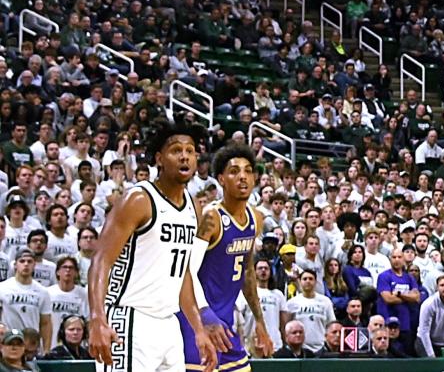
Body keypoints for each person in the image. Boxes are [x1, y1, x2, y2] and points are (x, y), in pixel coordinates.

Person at [86, 120, 224, 372]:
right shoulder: (138, 199)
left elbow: (181, 272)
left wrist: (197, 328)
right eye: (176, 150)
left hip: (168, 324)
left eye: (190, 151)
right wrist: (97, 317)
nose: (184, 156)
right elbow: (101, 260)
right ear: (159, 159)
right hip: (129, 318)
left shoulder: (193, 207)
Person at [178, 147, 273, 372]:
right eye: (234, 171)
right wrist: (204, 313)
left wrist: (259, 321)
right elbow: (186, 271)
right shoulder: (211, 218)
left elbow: (247, 272)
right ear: (221, 179)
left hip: (226, 326)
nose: (242, 176)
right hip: (195, 324)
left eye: (248, 171)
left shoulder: (256, 218)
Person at [0, 251, 51, 354]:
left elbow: (45, 323)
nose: (26, 264)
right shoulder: (2, 288)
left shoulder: (43, 292)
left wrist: (46, 349)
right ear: (15, 265)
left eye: (29, 261)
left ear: (34, 265)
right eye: (22, 261)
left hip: (31, 345)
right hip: (9, 342)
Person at [233, 259, 284, 355]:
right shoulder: (245, 294)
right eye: (260, 268)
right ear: (254, 271)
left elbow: (283, 322)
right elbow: (239, 321)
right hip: (251, 346)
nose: (263, 270)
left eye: (266, 268)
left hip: (275, 345)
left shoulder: (278, 294)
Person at [281, 271, 334, 353]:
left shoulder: (325, 301)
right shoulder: (292, 303)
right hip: (299, 349)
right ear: (300, 281)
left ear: (316, 282)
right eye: (305, 279)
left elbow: (331, 325)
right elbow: (286, 327)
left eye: (311, 279)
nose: (308, 281)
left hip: (321, 348)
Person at [44, 258, 87, 335]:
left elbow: (88, 320)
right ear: (57, 272)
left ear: (76, 273)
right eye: (64, 267)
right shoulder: (47, 293)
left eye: (71, 268)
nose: (68, 270)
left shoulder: (84, 294)